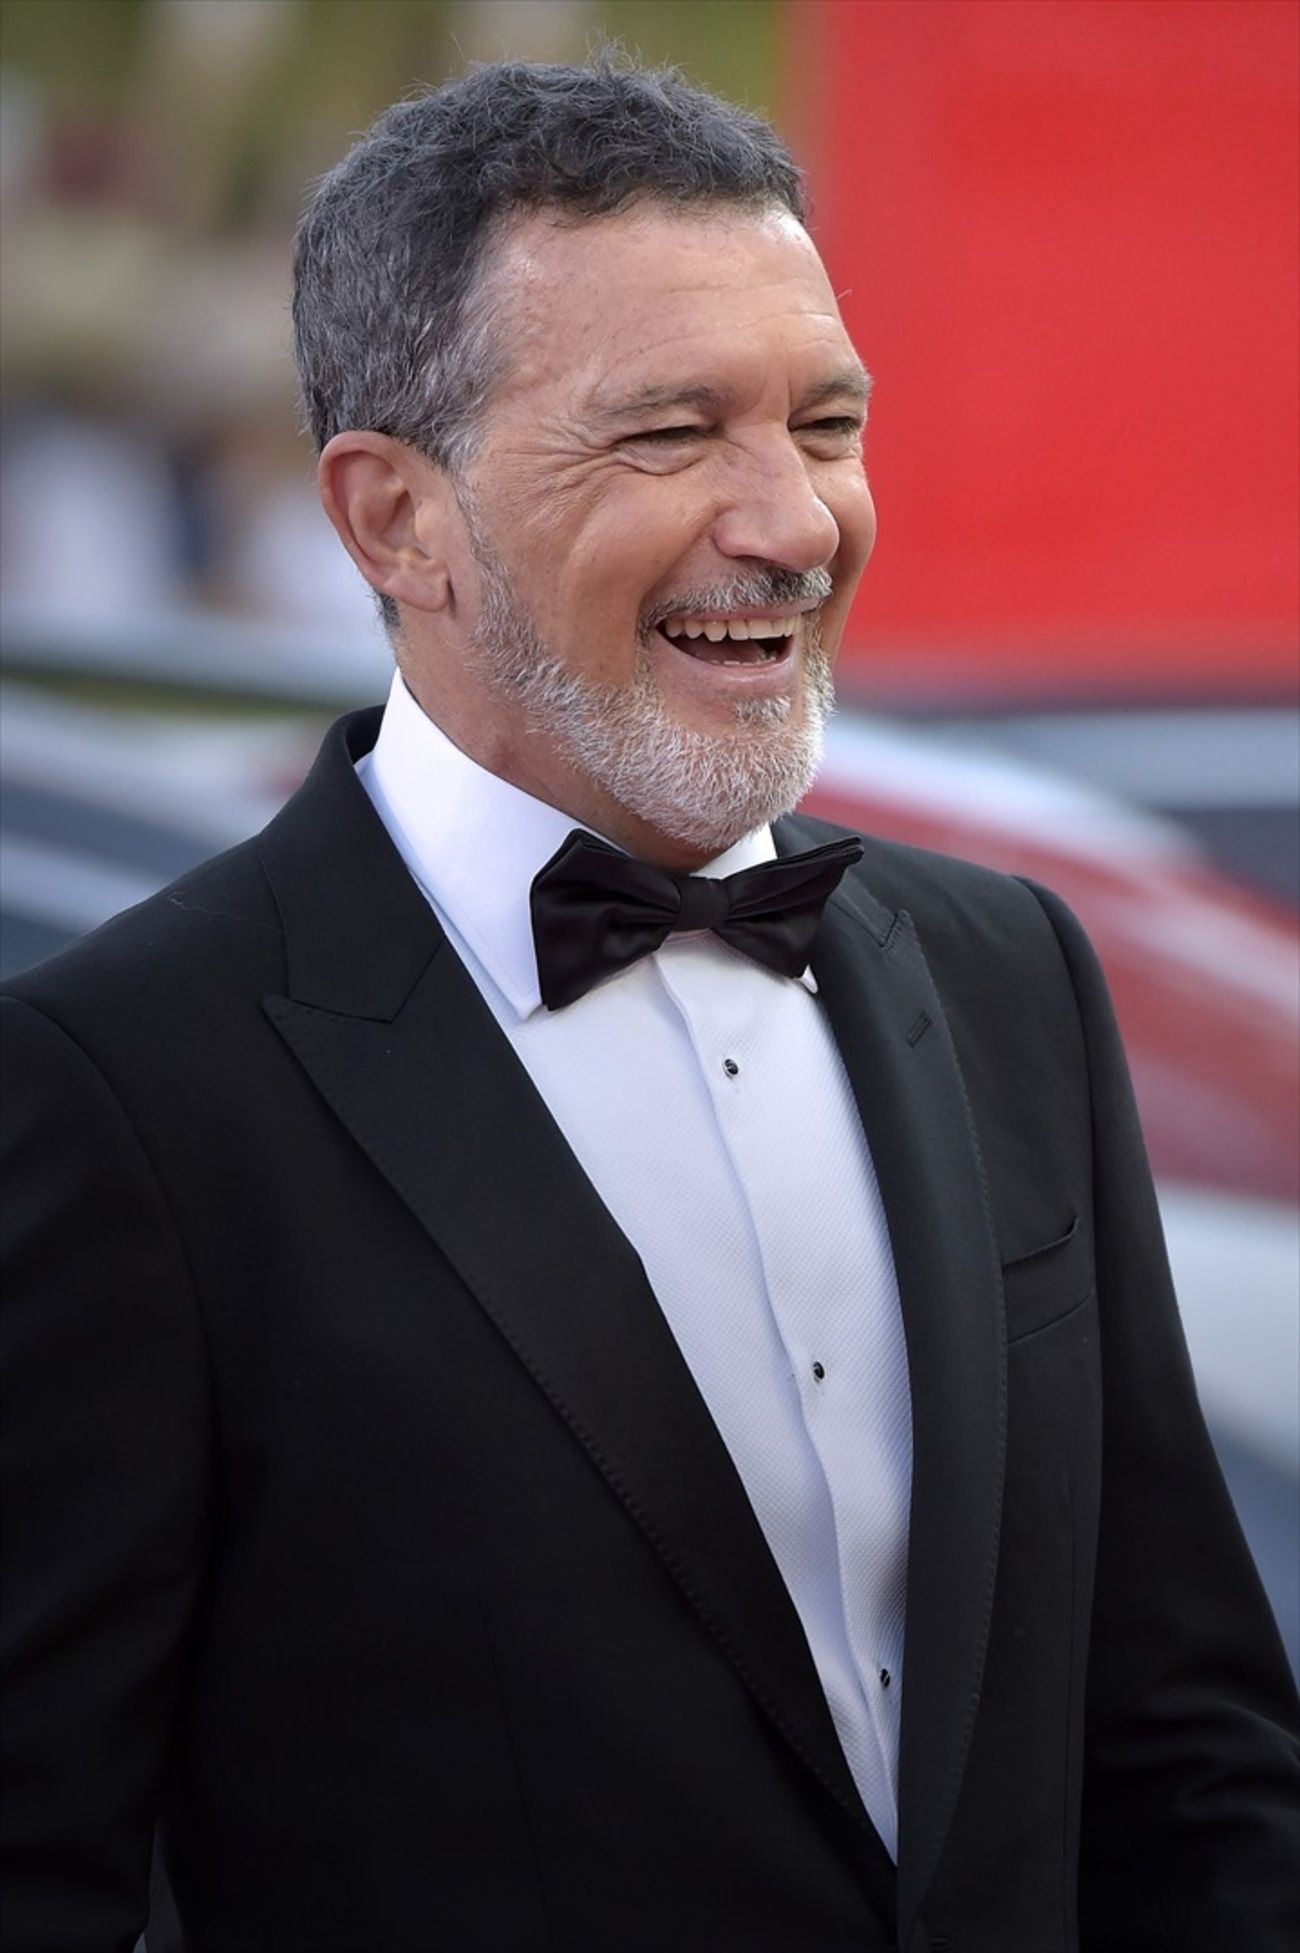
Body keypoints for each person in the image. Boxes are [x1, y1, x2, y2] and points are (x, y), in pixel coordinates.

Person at [2, 54, 1296, 1953]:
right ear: (395, 520)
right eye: (673, 433)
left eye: (828, 422)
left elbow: (1188, 1749)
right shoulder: (117, 1087)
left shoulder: (1007, 971)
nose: (793, 520)